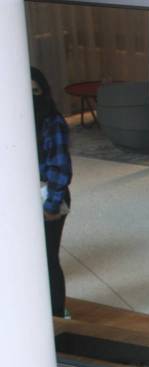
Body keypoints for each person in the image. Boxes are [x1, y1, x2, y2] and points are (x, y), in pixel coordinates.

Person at [32, 67, 72, 318]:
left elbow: (60, 167)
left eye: (35, 91)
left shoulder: (52, 122)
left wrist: (51, 206)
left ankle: (56, 315)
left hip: (49, 198)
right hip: (23, 199)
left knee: (48, 260)